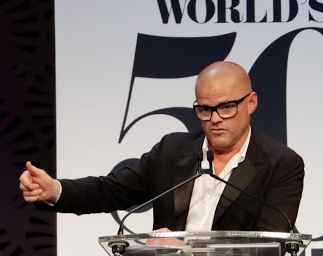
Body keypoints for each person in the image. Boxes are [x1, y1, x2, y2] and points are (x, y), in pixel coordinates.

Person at [19, 61, 304, 237]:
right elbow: (110, 190)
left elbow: (268, 247)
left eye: (226, 107)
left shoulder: (281, 164)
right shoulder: (172, 151)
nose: (215, 118)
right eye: (204, 109)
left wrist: (182, 249)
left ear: (251, 103)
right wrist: (55, 190)